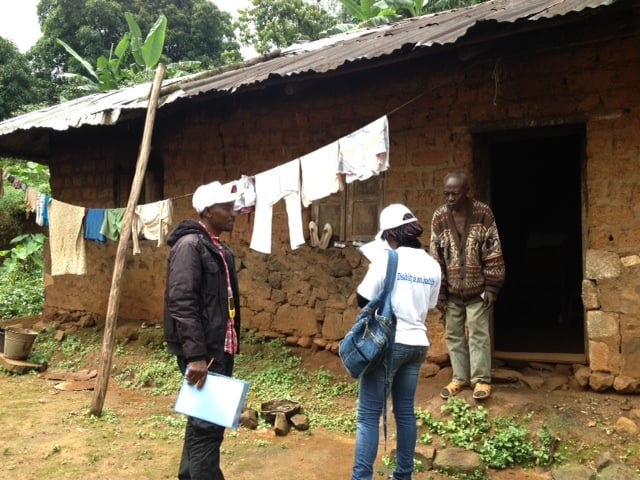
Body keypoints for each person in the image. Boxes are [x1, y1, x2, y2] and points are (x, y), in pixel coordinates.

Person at [352, 204, 441, 480]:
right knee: (404, 411)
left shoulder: (387, 259)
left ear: (391, 235)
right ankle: (403, 475)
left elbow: (362, 299)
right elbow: (430, 304)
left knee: (368, 416)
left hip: (388, 344)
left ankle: (361, 477)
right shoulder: (432, 265)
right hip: (417, 345)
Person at [163, 180, 241, 480]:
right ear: (208, 211)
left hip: (219, 348)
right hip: (204, 353)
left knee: (203, 421)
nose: (233, 213)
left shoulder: (219, 249)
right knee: (208, 426)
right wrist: (195, 356)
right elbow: (182, 302)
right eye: (226, 208)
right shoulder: (190, 246)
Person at [429, 172, 505, 401]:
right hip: (451, 291)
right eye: (447, 194)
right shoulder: (439, 217)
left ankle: (481, 380)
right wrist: (439, 291)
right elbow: (436, 257)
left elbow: (493, 251)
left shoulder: (483, 213)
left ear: (466, 192)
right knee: (453, 334)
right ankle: (459, 378)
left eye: (455, 193)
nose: (450, 198)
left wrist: (492, 287)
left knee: (479, 334)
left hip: (478, 290)